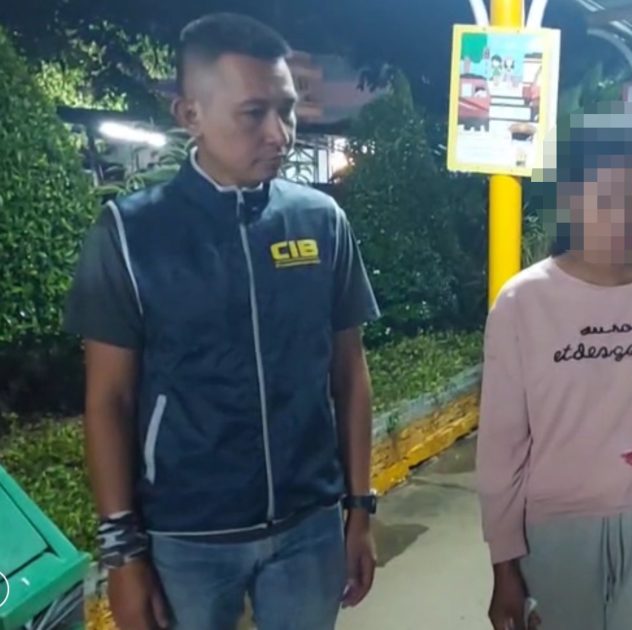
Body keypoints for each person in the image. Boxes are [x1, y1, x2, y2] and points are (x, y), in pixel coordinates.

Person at [63, 13, 380, 630]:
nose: (280, 134)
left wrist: (360, 509)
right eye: (253, 113)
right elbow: (109, 400)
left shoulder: (321, 222)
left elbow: (350, 373)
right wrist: (123, 555)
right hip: (185, 538)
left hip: (310, 527)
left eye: (287, 110)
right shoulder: (130, 234)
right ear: (191, 114)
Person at [477, 102, 632, 630]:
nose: (623, 218)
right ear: (570, 200)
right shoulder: (522, 303)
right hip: (553, 532)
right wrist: (504, 565)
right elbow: (502, 448)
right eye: (605, 199)